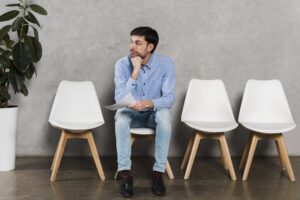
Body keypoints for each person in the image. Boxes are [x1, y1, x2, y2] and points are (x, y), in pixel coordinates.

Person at [114, 26, 176, 197]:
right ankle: (126, 174)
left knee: (164, 114)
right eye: (131, 42)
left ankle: (158, 174)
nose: (131, 47)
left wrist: (149, 103)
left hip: (152, 116)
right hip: (131, 115)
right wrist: (135, 72)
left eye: (137, 43)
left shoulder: (166, 65)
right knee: (120, 116)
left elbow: (169, 98)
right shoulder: (121, 64)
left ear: (150, 47)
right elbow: (119, 99)